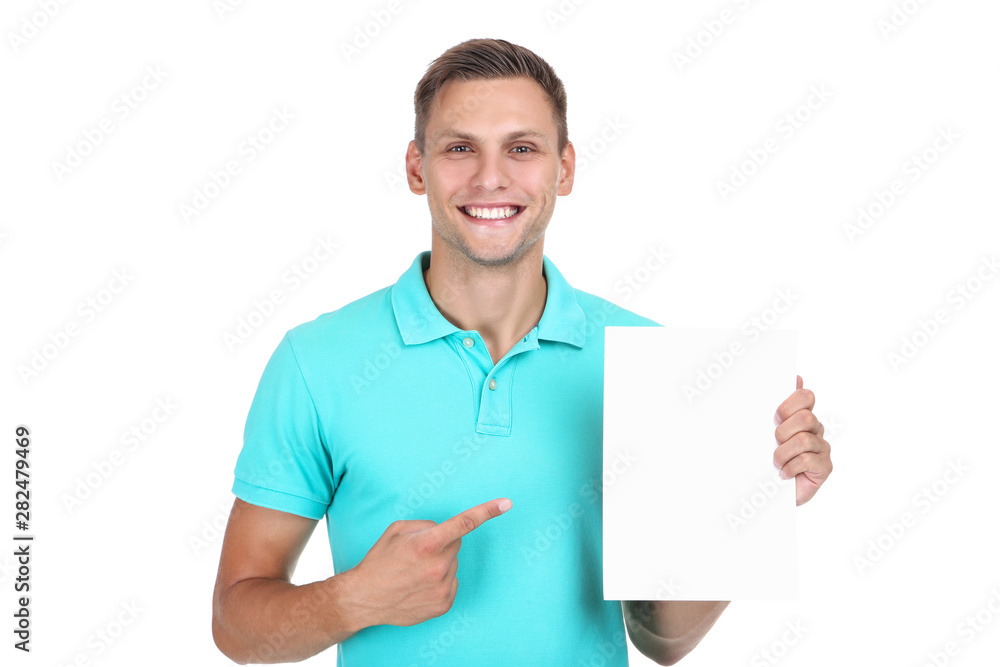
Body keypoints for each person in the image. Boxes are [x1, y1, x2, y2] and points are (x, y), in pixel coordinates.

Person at [211, 38, 833, 666]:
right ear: (416, 167)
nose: (490, 177)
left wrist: (760, 501)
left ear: (563, 169)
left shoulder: (651, 360)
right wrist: (358, 599)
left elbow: (659, 639)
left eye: (522, 148)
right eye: (460, 148)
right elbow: (235, 626)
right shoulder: (317, 362)